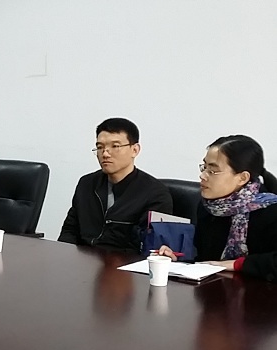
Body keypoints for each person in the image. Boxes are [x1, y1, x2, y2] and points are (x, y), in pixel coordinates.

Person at [158, 135, 277, 280]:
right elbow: (207, 261)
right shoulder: (211, 206)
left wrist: (237, 264)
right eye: (204, 167)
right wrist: (178, 258)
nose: (203, 176)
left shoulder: (270, 211)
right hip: (214, 288)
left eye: (213, 171)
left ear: (242, 178)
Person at [58, 118, 172, 252]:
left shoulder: (155, 193)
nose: (105, 153)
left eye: (115, 146)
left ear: (135, 150)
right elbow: (69, 231)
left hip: (125, 263)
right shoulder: (87, 183)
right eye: (100, 147)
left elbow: (149, 247)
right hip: (83, 260)